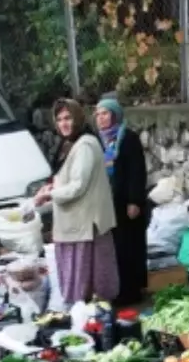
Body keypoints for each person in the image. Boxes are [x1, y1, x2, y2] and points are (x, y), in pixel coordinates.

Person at [34, 99, 119, 304]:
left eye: (68, 118)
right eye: (60, 119)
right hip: (76, 224)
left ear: (78, 118)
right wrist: (52, 187)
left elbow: (78, 185)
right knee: (83, 282)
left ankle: (90, 321)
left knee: (87, 283)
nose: (64, 123)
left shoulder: (85, 145)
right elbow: (68, 177)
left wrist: (49, 195)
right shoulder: (70, 143)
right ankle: (85, 318)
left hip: (85, 226)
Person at [94, 95, 148, 306]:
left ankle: (131, 292)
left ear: (115, 115)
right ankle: (114, 290)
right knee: (112, 248)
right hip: (107, 204)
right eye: (98, 114)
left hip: (126, 205)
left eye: (105, 113)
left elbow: (137, 171)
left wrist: (135, 200)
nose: (101, 118)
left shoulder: (128, 139)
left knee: (129, 249)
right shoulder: (97, 140)